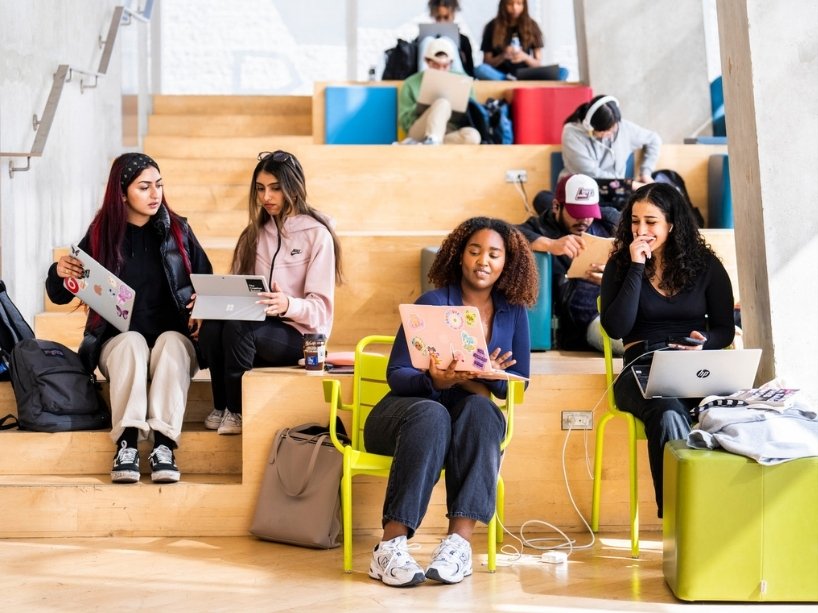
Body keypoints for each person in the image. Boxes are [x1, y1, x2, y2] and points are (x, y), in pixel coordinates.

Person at [364, 217, 537, 587]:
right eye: (475, 251)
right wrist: (434, 379)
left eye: (494, 254)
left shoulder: (514, 311)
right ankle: (389, 547)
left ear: (507, 262)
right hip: (404, 414)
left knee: (483, 412)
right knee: (433, 413)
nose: (483, 261)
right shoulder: (432, 302)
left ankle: (458, 546)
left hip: (464, 410)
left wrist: (488, 375)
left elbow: (518, 383)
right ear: (460, 256)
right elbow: (396, 375)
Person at [45, 152, 213, 484]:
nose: (155, 195)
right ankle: (128, 444)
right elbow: (61, 293)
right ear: (122, 193)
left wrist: (201, 308)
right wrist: (59, 272)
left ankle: (164, 445)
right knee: (132, 343)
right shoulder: (101, 233)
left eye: (159, 186)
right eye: (144, 187)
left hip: (174, 340)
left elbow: (207, 282)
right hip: (118, 343)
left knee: (170, 344)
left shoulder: (179, 231)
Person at [599, 183, 735, 517]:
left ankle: (731, 513)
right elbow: (616, 328)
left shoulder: (705, 266)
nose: (641, 230)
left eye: (651, 222)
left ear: (671, 224)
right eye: (635, 221)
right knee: (668, 411)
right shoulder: (620, 264)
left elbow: (724, 328)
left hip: (695, 366)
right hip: (642, 367)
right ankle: (681, 516)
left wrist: (705, 343)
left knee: (733, 411)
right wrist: (635, 266)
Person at [197, 150, 341, 435]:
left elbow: (321, 311)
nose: (267, 197)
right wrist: (208, 306)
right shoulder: (253, 234)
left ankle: (237, 410)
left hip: (302, 338)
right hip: (256, 330)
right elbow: (235, 294)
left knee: (240, 326)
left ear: (294, 187)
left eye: (276, 188)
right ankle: (222, 406)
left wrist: (287, 304)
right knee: (214, 326)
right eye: (261, 189)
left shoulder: (317, 235)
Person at [517, 173, 623, 353]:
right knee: (622, 339)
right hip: (584, 319)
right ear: (556, 206)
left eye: (589, 213)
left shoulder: (609, 221)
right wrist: (550, 244)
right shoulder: (540, 228)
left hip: (620, 307)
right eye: (577, 214)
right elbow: (504, 234)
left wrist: (614, 278)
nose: (584, 220)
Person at [561, 95, 662, 184]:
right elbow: (590, 173)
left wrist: (646, 173)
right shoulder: (571, 133)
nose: (610, 134)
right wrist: (629, 184)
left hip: (618, 191)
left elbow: (654, 140)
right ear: (590, 126)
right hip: (581, 190)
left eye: (613, 129)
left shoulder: (623, 128)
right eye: (605, 132)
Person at [397, 37, 480, 145]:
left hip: (451, 129)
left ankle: (429, 143)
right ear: (427, 62)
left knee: (473, 136)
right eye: (436, 65)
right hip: (420, 129)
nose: (440, 70)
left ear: (451, 63)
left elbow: (474, 112)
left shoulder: (462, 80)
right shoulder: (410, 84)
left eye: (445, 66)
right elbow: (404, 122)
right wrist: (424, 106)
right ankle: (431, 141)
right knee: (442, 103)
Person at [474, 0, 544, 81]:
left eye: (519, 4)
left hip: (526, 75)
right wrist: (503, 56)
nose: (515, 8)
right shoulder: (492, 26)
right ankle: (509, 80)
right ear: (503, 5)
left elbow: (538, 63)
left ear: (524, 5)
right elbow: (486, 62)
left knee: (561, 71)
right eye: (510, 4)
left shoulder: (532, 25)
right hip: (501, 74)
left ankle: (512, 80)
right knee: (480, 69)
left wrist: (525, 57)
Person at [420, 0, 475, 77]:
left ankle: (460, 79)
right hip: (429, 80)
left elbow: (470, 70)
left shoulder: (464, 40)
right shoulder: (423, 41)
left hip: (453, 80)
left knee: (447, 40)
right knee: (427, 41)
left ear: (453, 15)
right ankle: (424, 79)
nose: (442, 21)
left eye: (446, 17)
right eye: (438, 18)